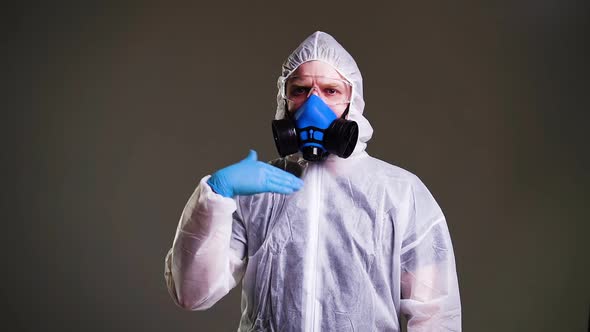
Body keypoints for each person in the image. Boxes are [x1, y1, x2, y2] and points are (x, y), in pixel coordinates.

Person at [164, 31, 462, 331]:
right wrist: (214, 195)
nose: (313, 105)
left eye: (330, 91)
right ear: (285, 99)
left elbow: (435, 315)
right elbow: (192, 294)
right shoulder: (256, 192)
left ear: (352, 100)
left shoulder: (399, 193)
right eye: (301, 90)